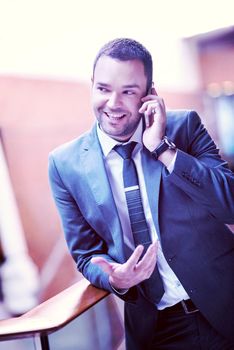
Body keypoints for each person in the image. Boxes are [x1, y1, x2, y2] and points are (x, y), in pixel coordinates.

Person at [48, 38, 234, 349]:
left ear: (149, 94)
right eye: (104, 89)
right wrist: (113, 277)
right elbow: (85, 254)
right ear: (92, 86)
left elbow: (230, 204)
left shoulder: (184, 127)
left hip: (225, 304)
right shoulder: (64, 164)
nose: (113, 103)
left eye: (129, 92)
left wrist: (163, 148)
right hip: (157, 329)